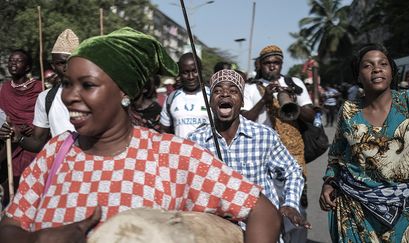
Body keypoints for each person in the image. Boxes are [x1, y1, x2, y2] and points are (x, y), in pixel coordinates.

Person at [0, 27, 281, 243]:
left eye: (87, 85)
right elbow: (10, 225)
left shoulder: (173, 155)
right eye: (66, 83)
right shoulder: (56, 151)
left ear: (124, 92)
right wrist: (36, 239)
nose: (70, 96)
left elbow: (262, 211)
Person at [319, 43, 409, 242]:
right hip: (352, 210)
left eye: (383, 64)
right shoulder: (349, 110)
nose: (376, 68)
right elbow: (336, 154)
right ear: (358, 76)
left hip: (400, 212)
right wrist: (329, 182)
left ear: (391, 71)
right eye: (367, 65)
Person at [188, 69, 310, 238]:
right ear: (210, 101)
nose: (224, 94)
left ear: (242, 101)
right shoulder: (195, 141)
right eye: (217, 91)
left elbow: (293, 171)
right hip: (216, 234)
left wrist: (290, 204)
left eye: (233, 91)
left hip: (262, 232)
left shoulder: (263, 136)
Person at [241, 44, 315, 242]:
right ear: (260, 64)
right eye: (267, 62)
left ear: (281, 64)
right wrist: (265, 99)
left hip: (293, 154)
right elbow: (245, 119)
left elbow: (310, 115)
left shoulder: (294, 82)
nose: (272, 66)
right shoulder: (250, 88)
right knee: (266, 205)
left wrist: (292, 99)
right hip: (262, 155)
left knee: (297, 204)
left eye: (276, 62)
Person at [8, 29, 79, 154]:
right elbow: (38, 142)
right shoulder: (46, 98)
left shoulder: (96, 93)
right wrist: (19, 138)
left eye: (71, 61)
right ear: (53, 66)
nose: (66, 67)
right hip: (61, 167)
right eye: (61, 63)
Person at [0, 49, 43, 197]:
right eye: (11, 60)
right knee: (11, 185)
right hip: (11, 143)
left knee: (32, 181)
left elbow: (44, 114)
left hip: (33, 142)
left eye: (18, 61)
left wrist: (34, 127)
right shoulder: (5, 88)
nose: (13, 63)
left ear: (27, 67)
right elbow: (3, 116)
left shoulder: (39, 87)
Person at [160, 52, 210, 138]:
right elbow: (164, 131)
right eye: (185, 72)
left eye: (195, 71)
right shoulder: (172, 98)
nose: (191, 77)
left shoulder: (212, 96)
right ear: (179, 74)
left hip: (207, 151)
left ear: (201, 71)